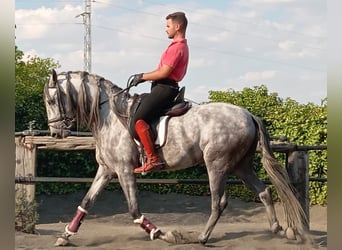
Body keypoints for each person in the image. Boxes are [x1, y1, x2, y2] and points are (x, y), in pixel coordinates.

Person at [129, 11, 189, 174]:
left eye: (168, 26)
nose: (166, 29)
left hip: (165, 88)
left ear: (177, 27)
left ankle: (153, 159)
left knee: (138, 120)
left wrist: (142, 77)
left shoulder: (177, 48)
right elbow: (159, 71)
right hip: (162, 87)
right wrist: (145, 77)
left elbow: (163, 73)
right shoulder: (177, 46)